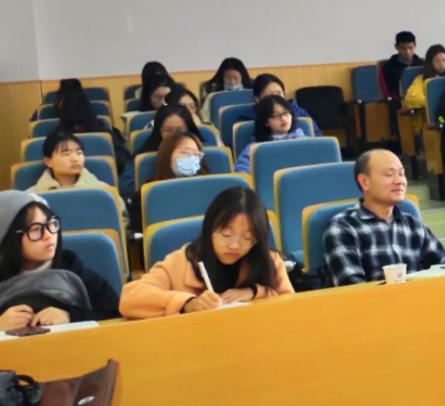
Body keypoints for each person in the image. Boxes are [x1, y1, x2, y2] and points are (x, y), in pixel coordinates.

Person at [120, 187, 293, 317]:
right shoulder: (182, 261)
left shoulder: (269, 260)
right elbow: (130, 299)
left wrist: (254, 291)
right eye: (226, 235)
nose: (235, 245)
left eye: (248, 237)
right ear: (210, 229)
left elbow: (290, 306)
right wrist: (187, 303)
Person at [325, 150, 445, 286]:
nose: (399, 181)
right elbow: (352, 286)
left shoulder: (412, 225)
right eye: (389, 174)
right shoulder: (344, 227)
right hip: (373, 299)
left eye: (401, 174)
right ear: (365, 182)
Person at [0, 192, 119, 326]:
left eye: (51, 223)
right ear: (8, 238)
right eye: (35, 229)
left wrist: (71, 317)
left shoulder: (75, 271)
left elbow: (115, 314)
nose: (48, 235)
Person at [27, 131, 128, 230]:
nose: (75, 158)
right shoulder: (32, 197)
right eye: (66, 154)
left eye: (79, 153)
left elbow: (120, 222)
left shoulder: (104, 192)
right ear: (48, 161)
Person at [235, 95, 307, 173]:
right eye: (276, 115)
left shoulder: (302, 140)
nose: (283, 118)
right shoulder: (256, 148)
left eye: (286, 113)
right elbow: (241, 170)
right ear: (266, 122)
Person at [249, 74, 317, 133]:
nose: (276, 98)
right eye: (270, 95)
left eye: (279, 93)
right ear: (257, 99)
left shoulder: (299, 112)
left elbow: (316, 135)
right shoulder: (248, 117)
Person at [402, 45, 445, 113]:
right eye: (437, 61)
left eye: (444, 60)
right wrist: (434, 102)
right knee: (441, 119)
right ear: (430, 62)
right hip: (437, 116)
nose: (441, 64)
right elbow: (411, 98)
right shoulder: (422, 79)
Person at [380, 31, 424, 102]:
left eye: (410, 48)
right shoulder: (388, 67)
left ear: (415, 45)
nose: (407, 52)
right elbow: (390, 93)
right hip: (400, 102)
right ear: (396, 47)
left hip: (422, 100)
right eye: (403, 48)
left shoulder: (423, 64)